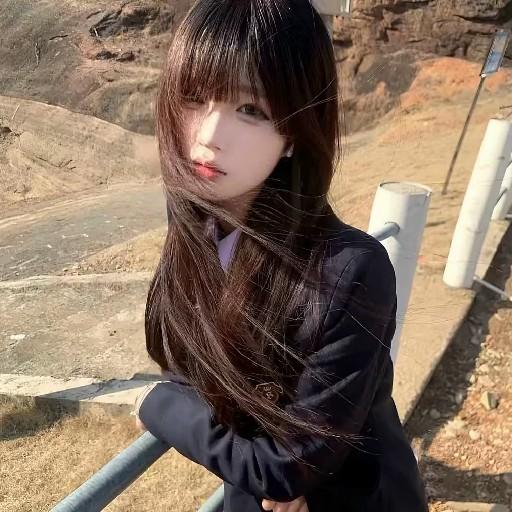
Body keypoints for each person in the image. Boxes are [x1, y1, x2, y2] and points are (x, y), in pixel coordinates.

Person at [134, 1, 428, 511]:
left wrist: (156, 405)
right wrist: (277, 463)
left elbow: (284, 468)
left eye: (251, 110)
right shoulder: (196, 223)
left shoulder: (349, 271)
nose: (208, 137)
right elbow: (186, 356)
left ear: (294, 133)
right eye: (195, 97)